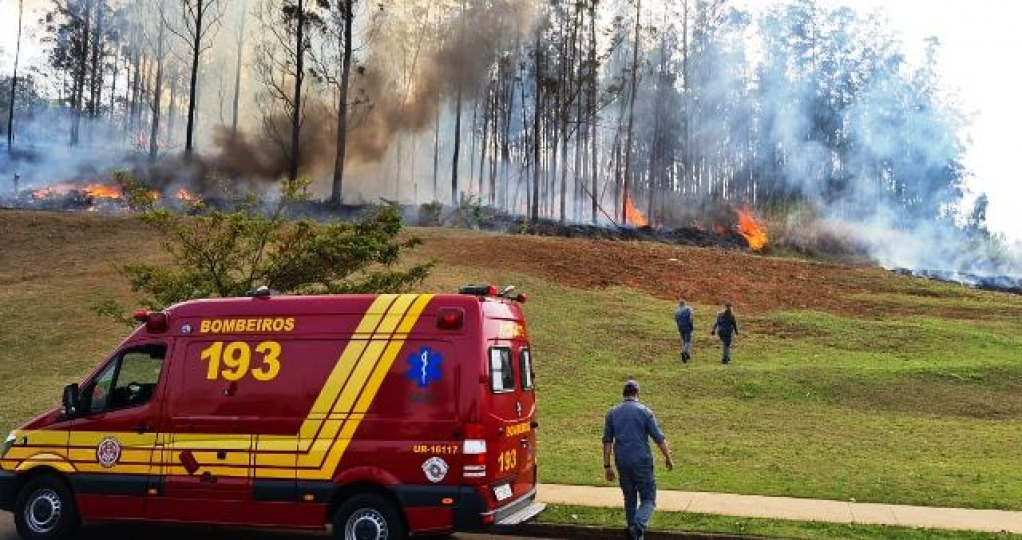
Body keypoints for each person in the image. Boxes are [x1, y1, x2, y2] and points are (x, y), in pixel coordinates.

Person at [602, 379, 674, 540]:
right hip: (642, 460)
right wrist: (668, 457)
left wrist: (607, 466)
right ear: (637, 394)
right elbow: (658, 438)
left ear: (623, 394)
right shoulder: (645, 412)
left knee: (630, 499)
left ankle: (633, 532)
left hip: (622, 461)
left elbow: (607, 441)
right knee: (648, 499)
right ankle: (638, 526)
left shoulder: (612, 413)